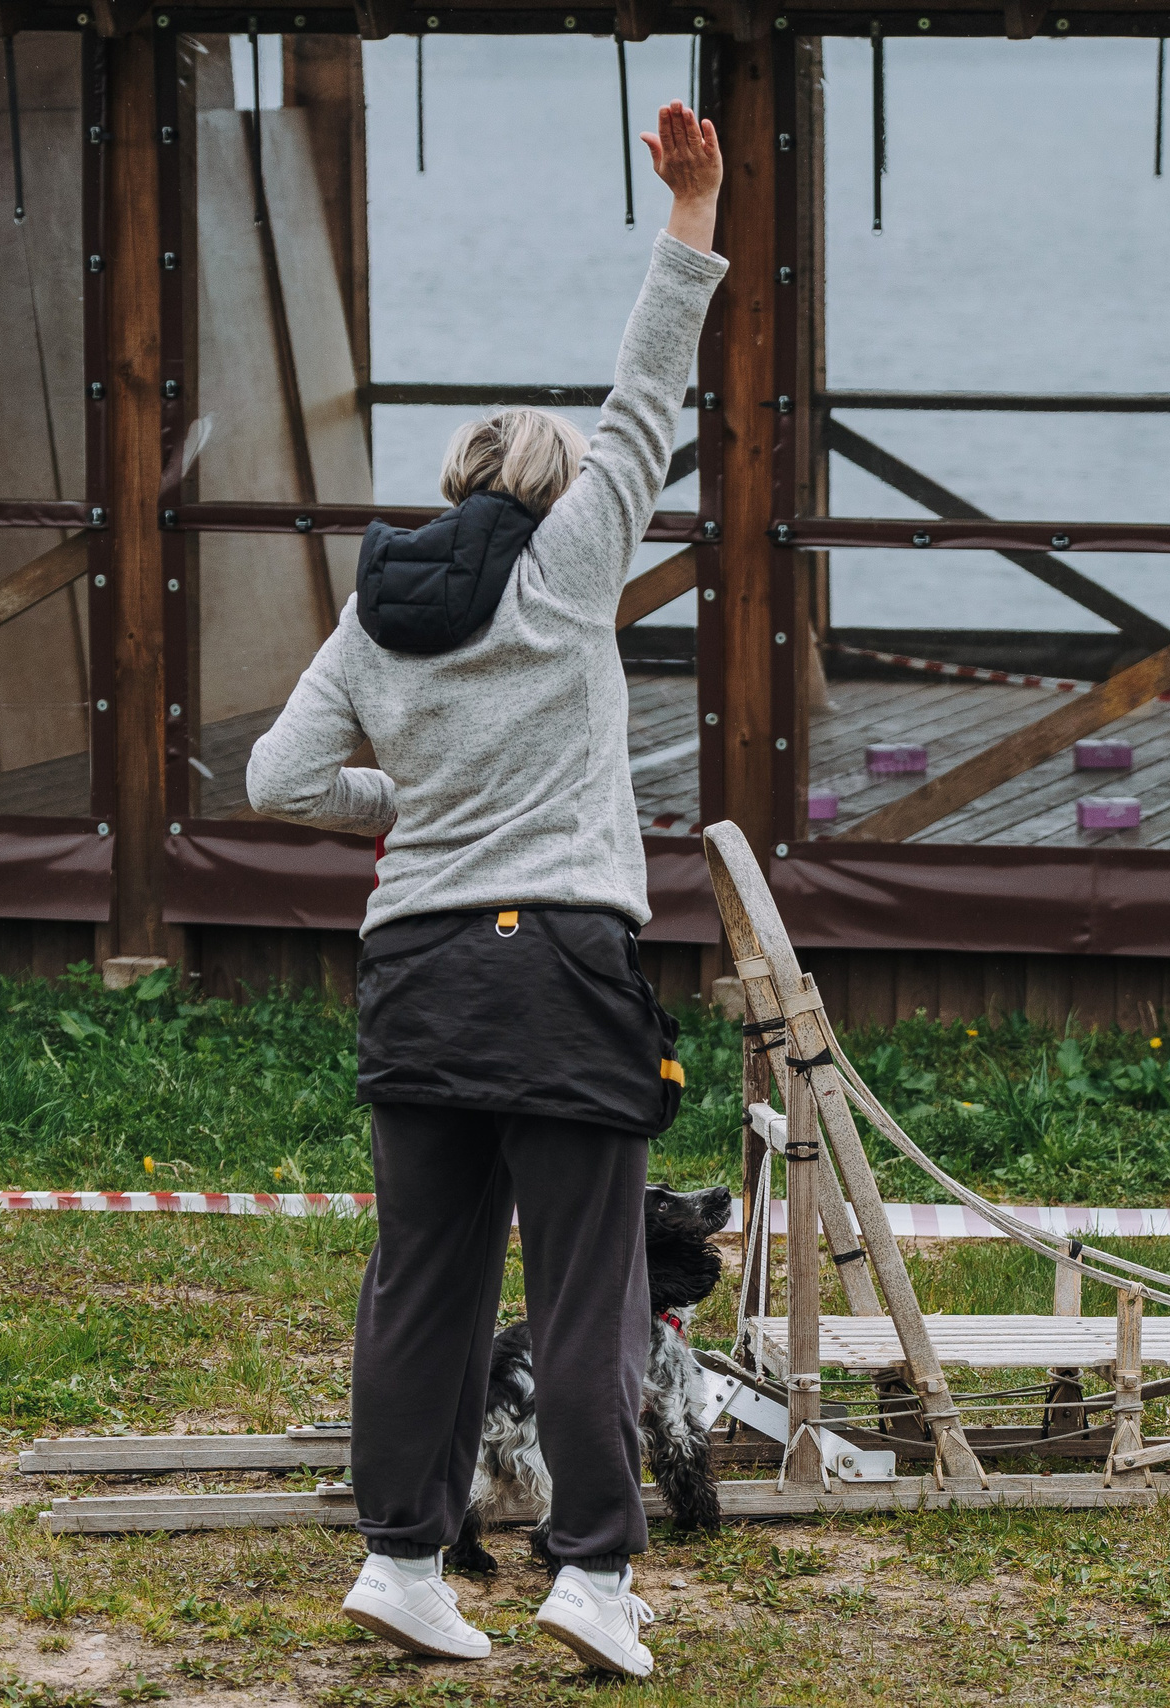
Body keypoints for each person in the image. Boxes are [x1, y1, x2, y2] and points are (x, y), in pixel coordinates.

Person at [244, 101, 727, 1676]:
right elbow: (649, 389)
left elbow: (279, 786)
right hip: (557, 969)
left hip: (417, 970)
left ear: (454, 484)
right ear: (549, 491)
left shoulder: (376, 611)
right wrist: (697, 209)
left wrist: (423, 799)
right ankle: (591, 1579)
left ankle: (402, 1556)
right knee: (587, 1286)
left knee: (421, 1278)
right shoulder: (569, 563)